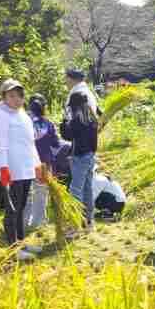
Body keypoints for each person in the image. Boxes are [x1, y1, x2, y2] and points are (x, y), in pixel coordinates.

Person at [0, 79, 43, 261]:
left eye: (19, 95)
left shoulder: (24, 115)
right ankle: (14, 249)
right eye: (11, 96)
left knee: (20, 208)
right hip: (11, 170)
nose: (16, 99)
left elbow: (31, 144)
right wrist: (3, 168)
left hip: (26, 169)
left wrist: (37, 164)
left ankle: (21, 243)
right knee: (12, 210)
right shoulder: (1, 116)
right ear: (4, 97)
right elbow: (0, 146)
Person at [61, 92, 99, 230]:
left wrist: (64, 122)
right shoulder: (92, 119)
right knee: (88, 189)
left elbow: (67, 135)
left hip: (79, 158)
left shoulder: (77, 120)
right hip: (90, 156)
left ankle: (74, 225)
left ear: (74, 106)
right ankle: (89, 221)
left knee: (75, 190)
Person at [23, 94, 61, 229]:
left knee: (26, 193)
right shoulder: (48, 123)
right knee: (41, 192)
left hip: (25, 162)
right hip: (44, 163)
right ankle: (38, 221)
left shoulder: (23, 121)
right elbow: (56, 143)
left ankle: (24, 221)